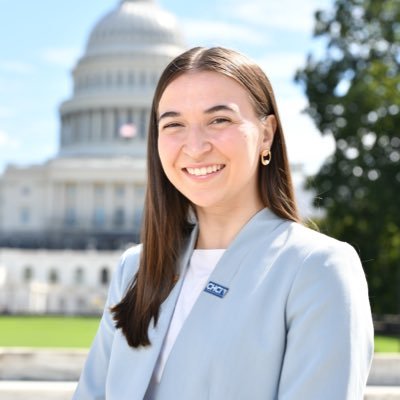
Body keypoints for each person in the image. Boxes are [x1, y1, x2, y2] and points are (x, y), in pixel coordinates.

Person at [73, 47, 374, 400]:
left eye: (219, 120)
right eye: (174, 125)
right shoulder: (136, 269)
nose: (195, 147)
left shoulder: (317, 268)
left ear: (266, 134)